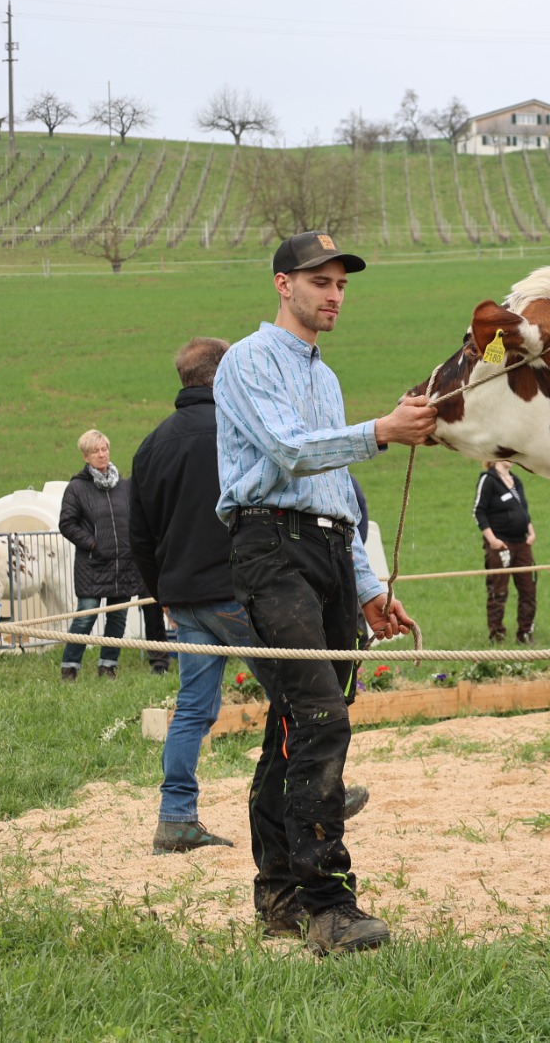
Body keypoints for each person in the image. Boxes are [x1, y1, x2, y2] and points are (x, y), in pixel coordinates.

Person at [213, 230, 436, 956]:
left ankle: (277, 894)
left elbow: (336, 488)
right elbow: (288, 451)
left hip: (327, 550)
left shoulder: (327, 377)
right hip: (269, 546)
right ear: (283, 285)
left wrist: (367, 584)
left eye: (341, 284)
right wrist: (380, 431)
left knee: (298, 720)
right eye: (320, 282)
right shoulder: (248, 361)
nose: (334, 295)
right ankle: (327, 903)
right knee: (319, 716)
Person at [131, 338, 371, 857]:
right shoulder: (238, 431)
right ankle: (320, 790)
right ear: (225, 378)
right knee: (305, 697)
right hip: (243, 588)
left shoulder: (151, 445)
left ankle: (175, 816)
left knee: (194, 709)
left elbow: (139, 536)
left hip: (185, 598)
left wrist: (164, 594)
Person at [58, 429, 145, 681]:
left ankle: (108, 665)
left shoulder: (124, 486)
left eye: (104, 449)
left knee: (117, 618)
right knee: (85, 617)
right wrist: (93, 544)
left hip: (123, 564)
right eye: (95, 451)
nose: (101, 454)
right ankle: (70, 666)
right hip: (93, 565)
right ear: (85, 456)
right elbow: (67, 524)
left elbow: (135, 517)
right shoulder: (76, 488)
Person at [475, 460, 536, 644]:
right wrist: (492, 540)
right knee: (498, 590)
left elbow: (523, 510)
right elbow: (479, 511)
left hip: (522, 543)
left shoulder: (516, 480)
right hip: (501, 543)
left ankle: (525, 633)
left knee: (528, 589)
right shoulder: (488, 479)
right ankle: (497, 636)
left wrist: (531, 531)